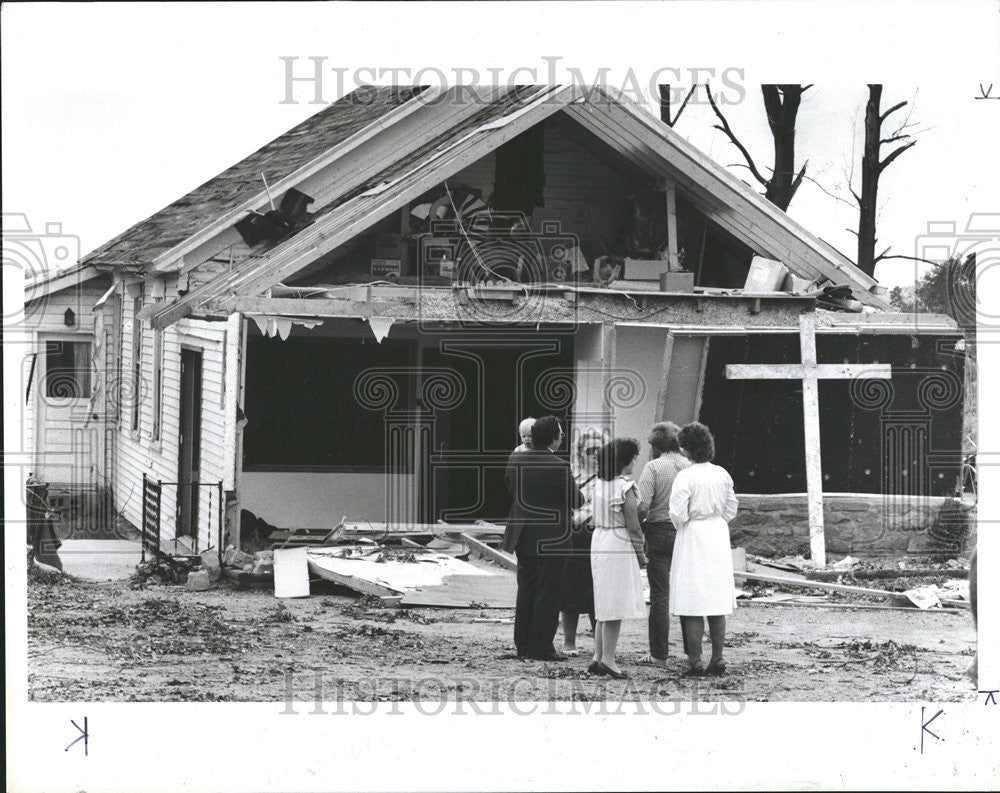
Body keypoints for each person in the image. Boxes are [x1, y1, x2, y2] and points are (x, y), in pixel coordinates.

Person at [503, 416, 583, 661]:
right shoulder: (558, 465)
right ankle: (541, 647)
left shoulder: (516, 459)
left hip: (524, 532)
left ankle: (522, 645)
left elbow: (510, 486)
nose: (563, 437)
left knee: (526, 589)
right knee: (549, 591)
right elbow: (576, 500)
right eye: (561, 433)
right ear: (554, 437)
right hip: (553, 536)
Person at [668, 422, 738, 676]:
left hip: (694, 535)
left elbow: (677, 512)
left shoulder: (686, 476)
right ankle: (717, 657)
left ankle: (695, 661)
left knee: (693, 600)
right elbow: (731, 507)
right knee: (716, 601)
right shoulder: (722, 473)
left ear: (686, 450)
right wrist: (716, 521)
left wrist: (687, 525)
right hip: (717, 534)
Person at [589, 437, 647, 679]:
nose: (635, 462)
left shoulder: (598, 485)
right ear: (625, 461)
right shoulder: (625, 487)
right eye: (633, 458)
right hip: (618, 543)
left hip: (600, 539)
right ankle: (609, 659)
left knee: (604, 601)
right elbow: (633, 526)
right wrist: (641, 554)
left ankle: (598, 656)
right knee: (615, 604)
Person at [636, 422, 691, 665]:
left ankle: (659, 653)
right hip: (686, 532)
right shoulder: (690, 467)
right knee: (687, 593)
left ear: (655, 446)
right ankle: (692, 651)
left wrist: (635, 526)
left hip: (658, 531)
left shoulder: (653, 467)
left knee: (660, 595)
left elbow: (644, 504)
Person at [559, 428, 603, 656]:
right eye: (591, 450)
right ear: (580, 452)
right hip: (574, 536)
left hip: (598, 535)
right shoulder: (571, 475)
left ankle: (600, 645)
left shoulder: (609, 476)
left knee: (598, 591)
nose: (595, 454)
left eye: (599, 449)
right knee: (570, 589)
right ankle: (569, 642)